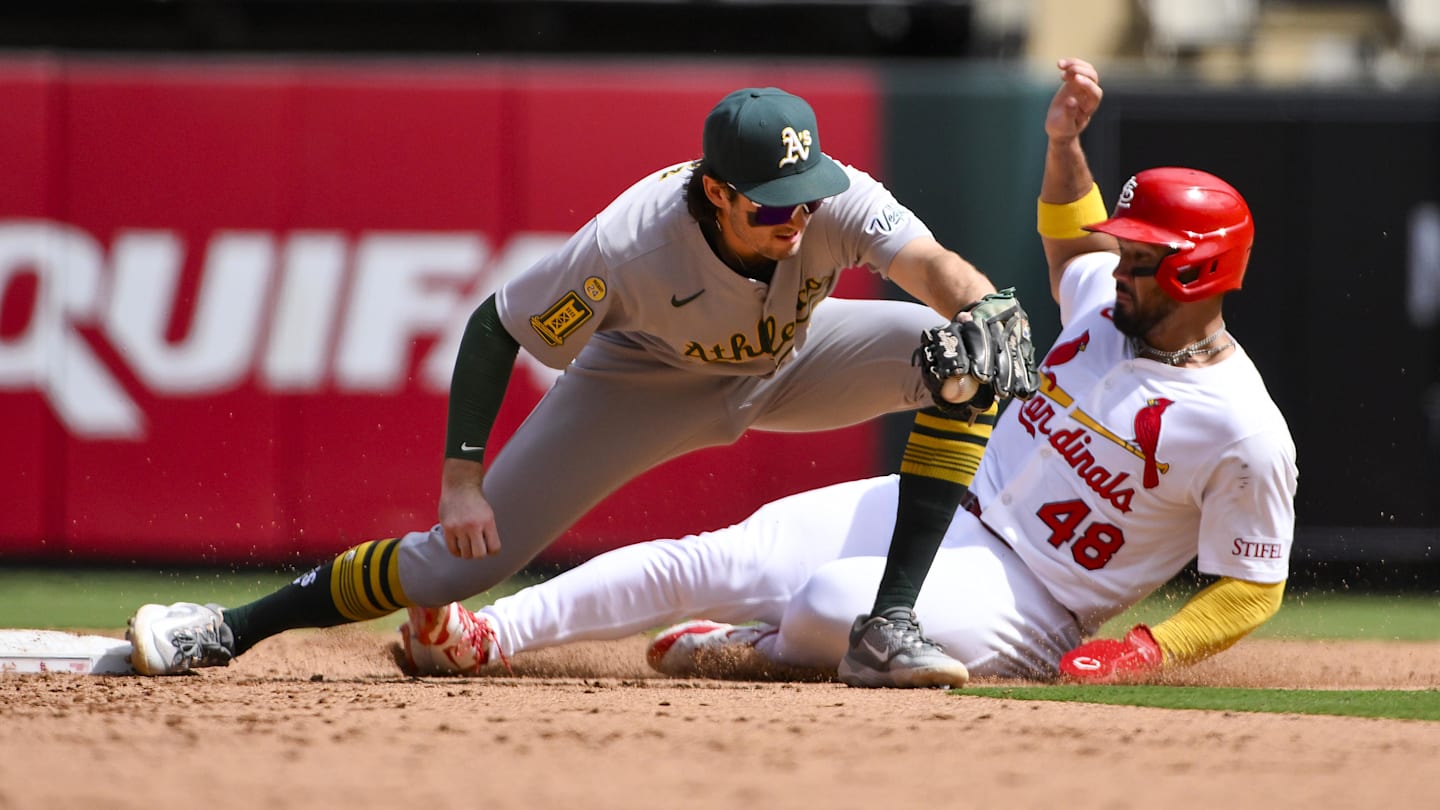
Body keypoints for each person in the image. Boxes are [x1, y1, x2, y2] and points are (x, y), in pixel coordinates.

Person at [391, 56, 1299, 687]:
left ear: (1196, 271)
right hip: (950, 507)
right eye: (1128, 248)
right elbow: (1072, 231)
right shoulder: (1106, 299)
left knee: (833, 603)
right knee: (717, 554)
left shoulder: (1242, 427)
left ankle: (760, 650)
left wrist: (1146, 650)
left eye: (1145, 255)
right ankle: (486, 636)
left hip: (1033, 598)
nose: (1121, 260)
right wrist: (1064, 148)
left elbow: (1251, 587)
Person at [126, 86, 1037, 680]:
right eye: (772, 202)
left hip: (791, 360)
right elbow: (495, 328)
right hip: (647, 381)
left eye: (807, 192)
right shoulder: (626, 246)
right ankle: (227, 626)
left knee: (951, 354)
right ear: (716, 191)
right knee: (457, 563)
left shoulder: (828, 200)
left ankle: (889, 628)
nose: (797, 216)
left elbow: (932, 265)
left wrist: (987, 304)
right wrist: (460, 477)